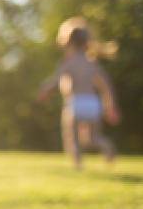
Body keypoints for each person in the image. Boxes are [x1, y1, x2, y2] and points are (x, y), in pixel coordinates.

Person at [37, 18, 120, 169]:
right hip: (93, 103)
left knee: (72, 137)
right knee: (93, 138)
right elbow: (105, 85)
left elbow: (56, 80)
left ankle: (78, 164)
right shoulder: (91, 62)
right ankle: (107, 147)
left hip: (75, 103)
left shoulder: (68, 62)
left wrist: (45, 90)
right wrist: (110, 105)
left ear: (67, 42)